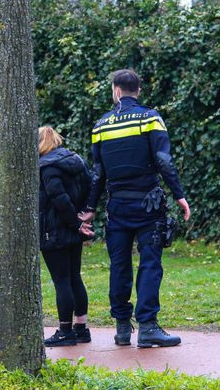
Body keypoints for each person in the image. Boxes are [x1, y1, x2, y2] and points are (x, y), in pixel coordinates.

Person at [78, 69, 191, 347]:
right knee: (150, 263)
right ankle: (149, 327)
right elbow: (164, 160)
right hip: (148, 205)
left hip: (117, 206)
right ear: (137, 91)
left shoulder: (101, 125)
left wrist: (91, 207)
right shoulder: (150, 118)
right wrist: (179, 195)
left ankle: (121, 328)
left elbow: (98, 172)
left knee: (119, 265)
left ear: (116, 91)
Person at [38, 126, 95, 347]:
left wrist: (75, 222)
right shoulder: (76, 161)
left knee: (61, 281)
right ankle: (81, 328)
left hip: (54, 230)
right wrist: (84, 218)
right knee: (74, 278)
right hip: (75, 228)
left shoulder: (46, 167)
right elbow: (91, 187)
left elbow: (58, 198)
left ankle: (65, 331)